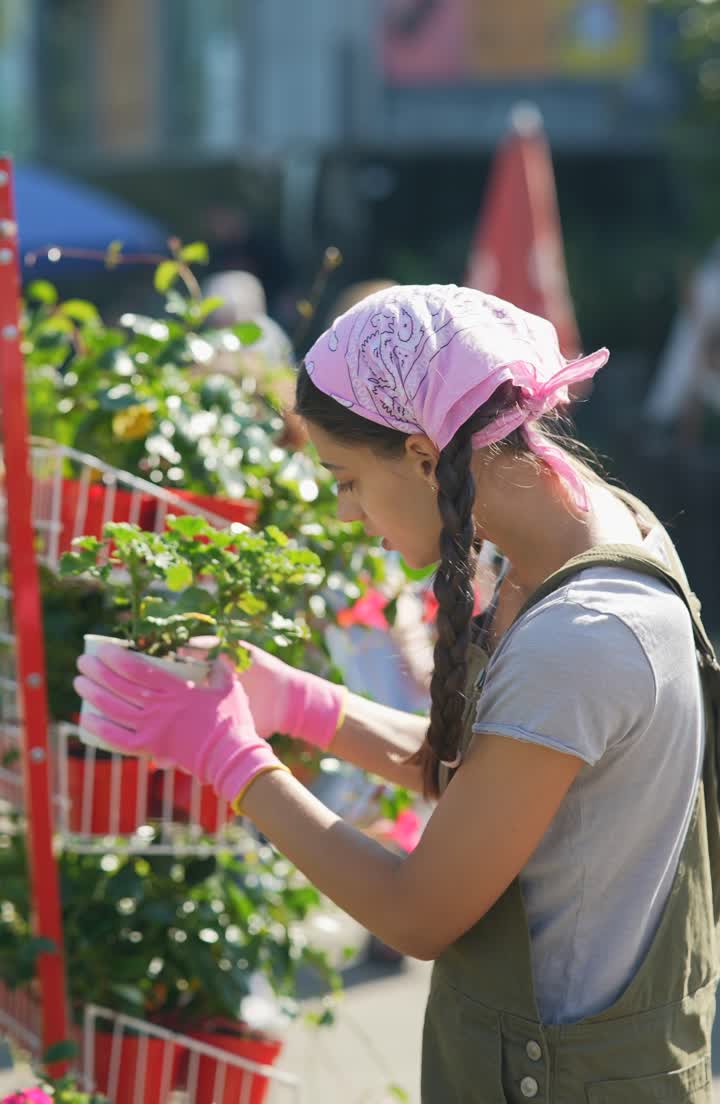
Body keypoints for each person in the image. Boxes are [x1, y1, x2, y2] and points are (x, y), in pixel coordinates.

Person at [75, 284, 720, 1102]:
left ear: (423, 454)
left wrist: (231, 761)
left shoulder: (580, 634)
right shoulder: (602, 527)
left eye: (345, 480)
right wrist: (300, 702)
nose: (346, 514)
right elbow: (495, 787)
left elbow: (418, 914)